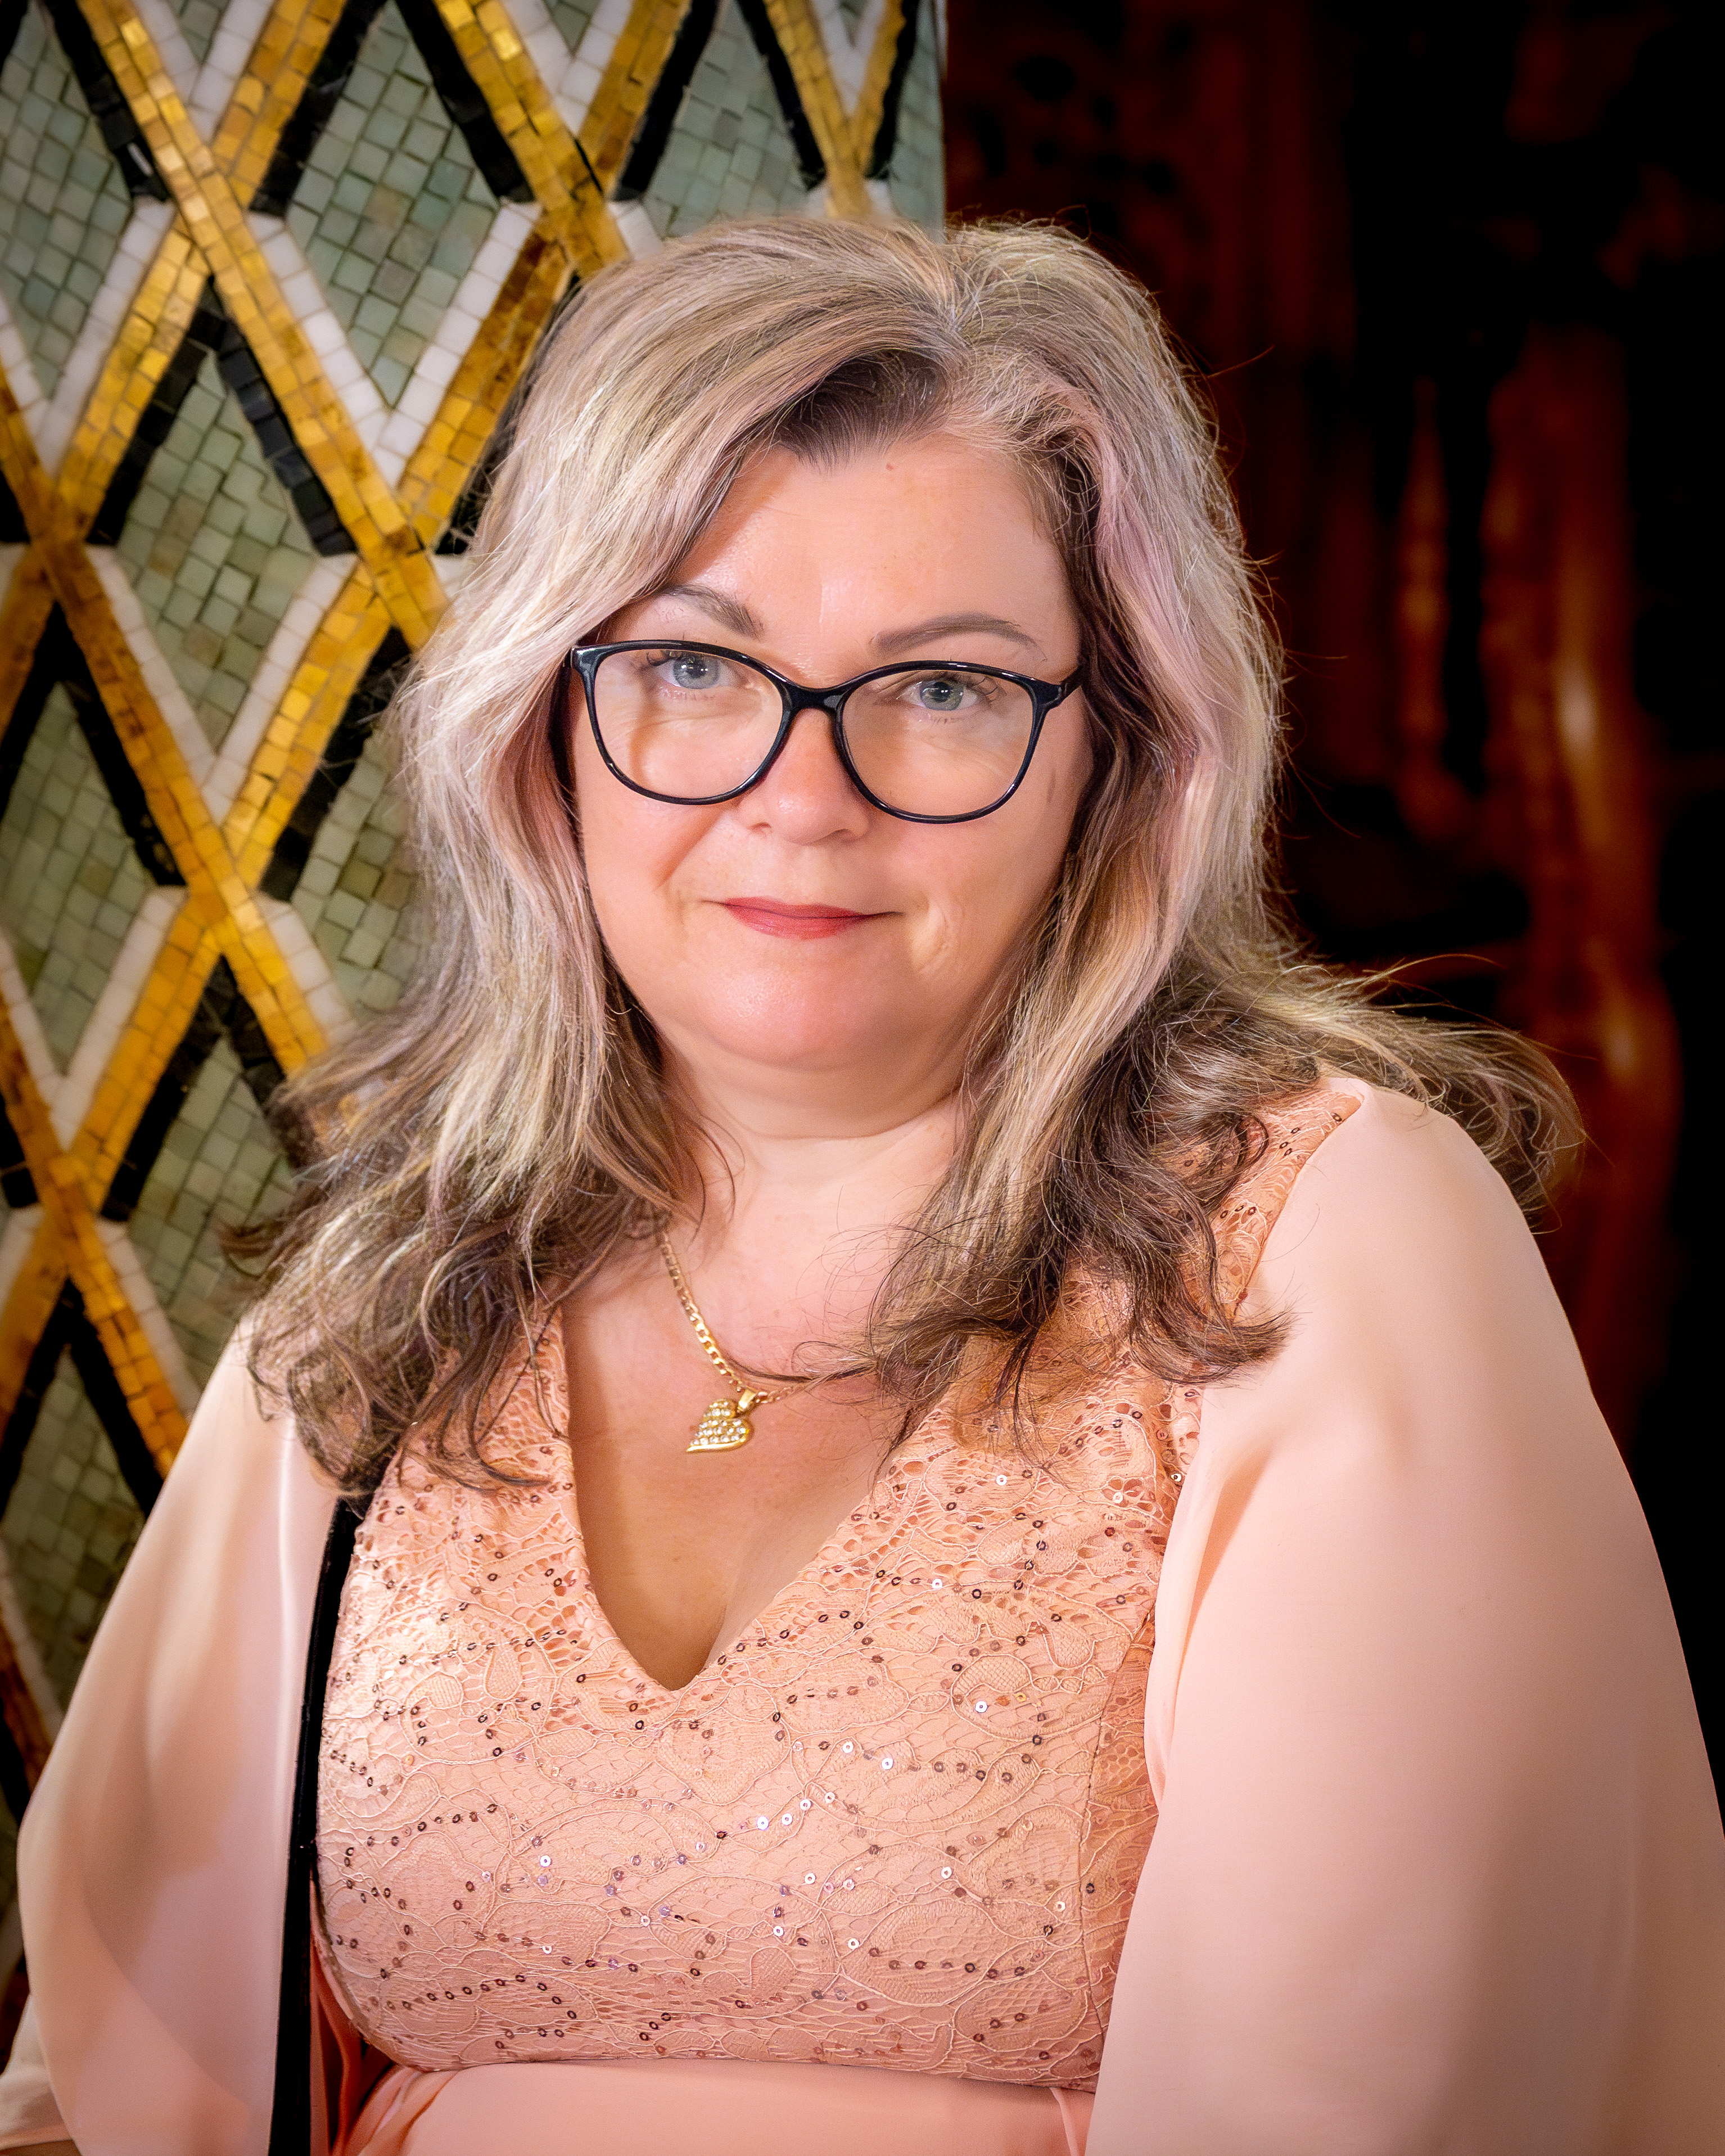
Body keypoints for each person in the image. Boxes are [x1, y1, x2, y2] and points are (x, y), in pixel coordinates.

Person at [2, 216, 1720, 2156]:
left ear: (1117, 752)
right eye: (690, 665)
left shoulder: (1329, 1242)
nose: (800, 797)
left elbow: (1368, 2097)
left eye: (943, 688)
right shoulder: (399, 1294)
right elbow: (112, 2080)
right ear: (543, 728)